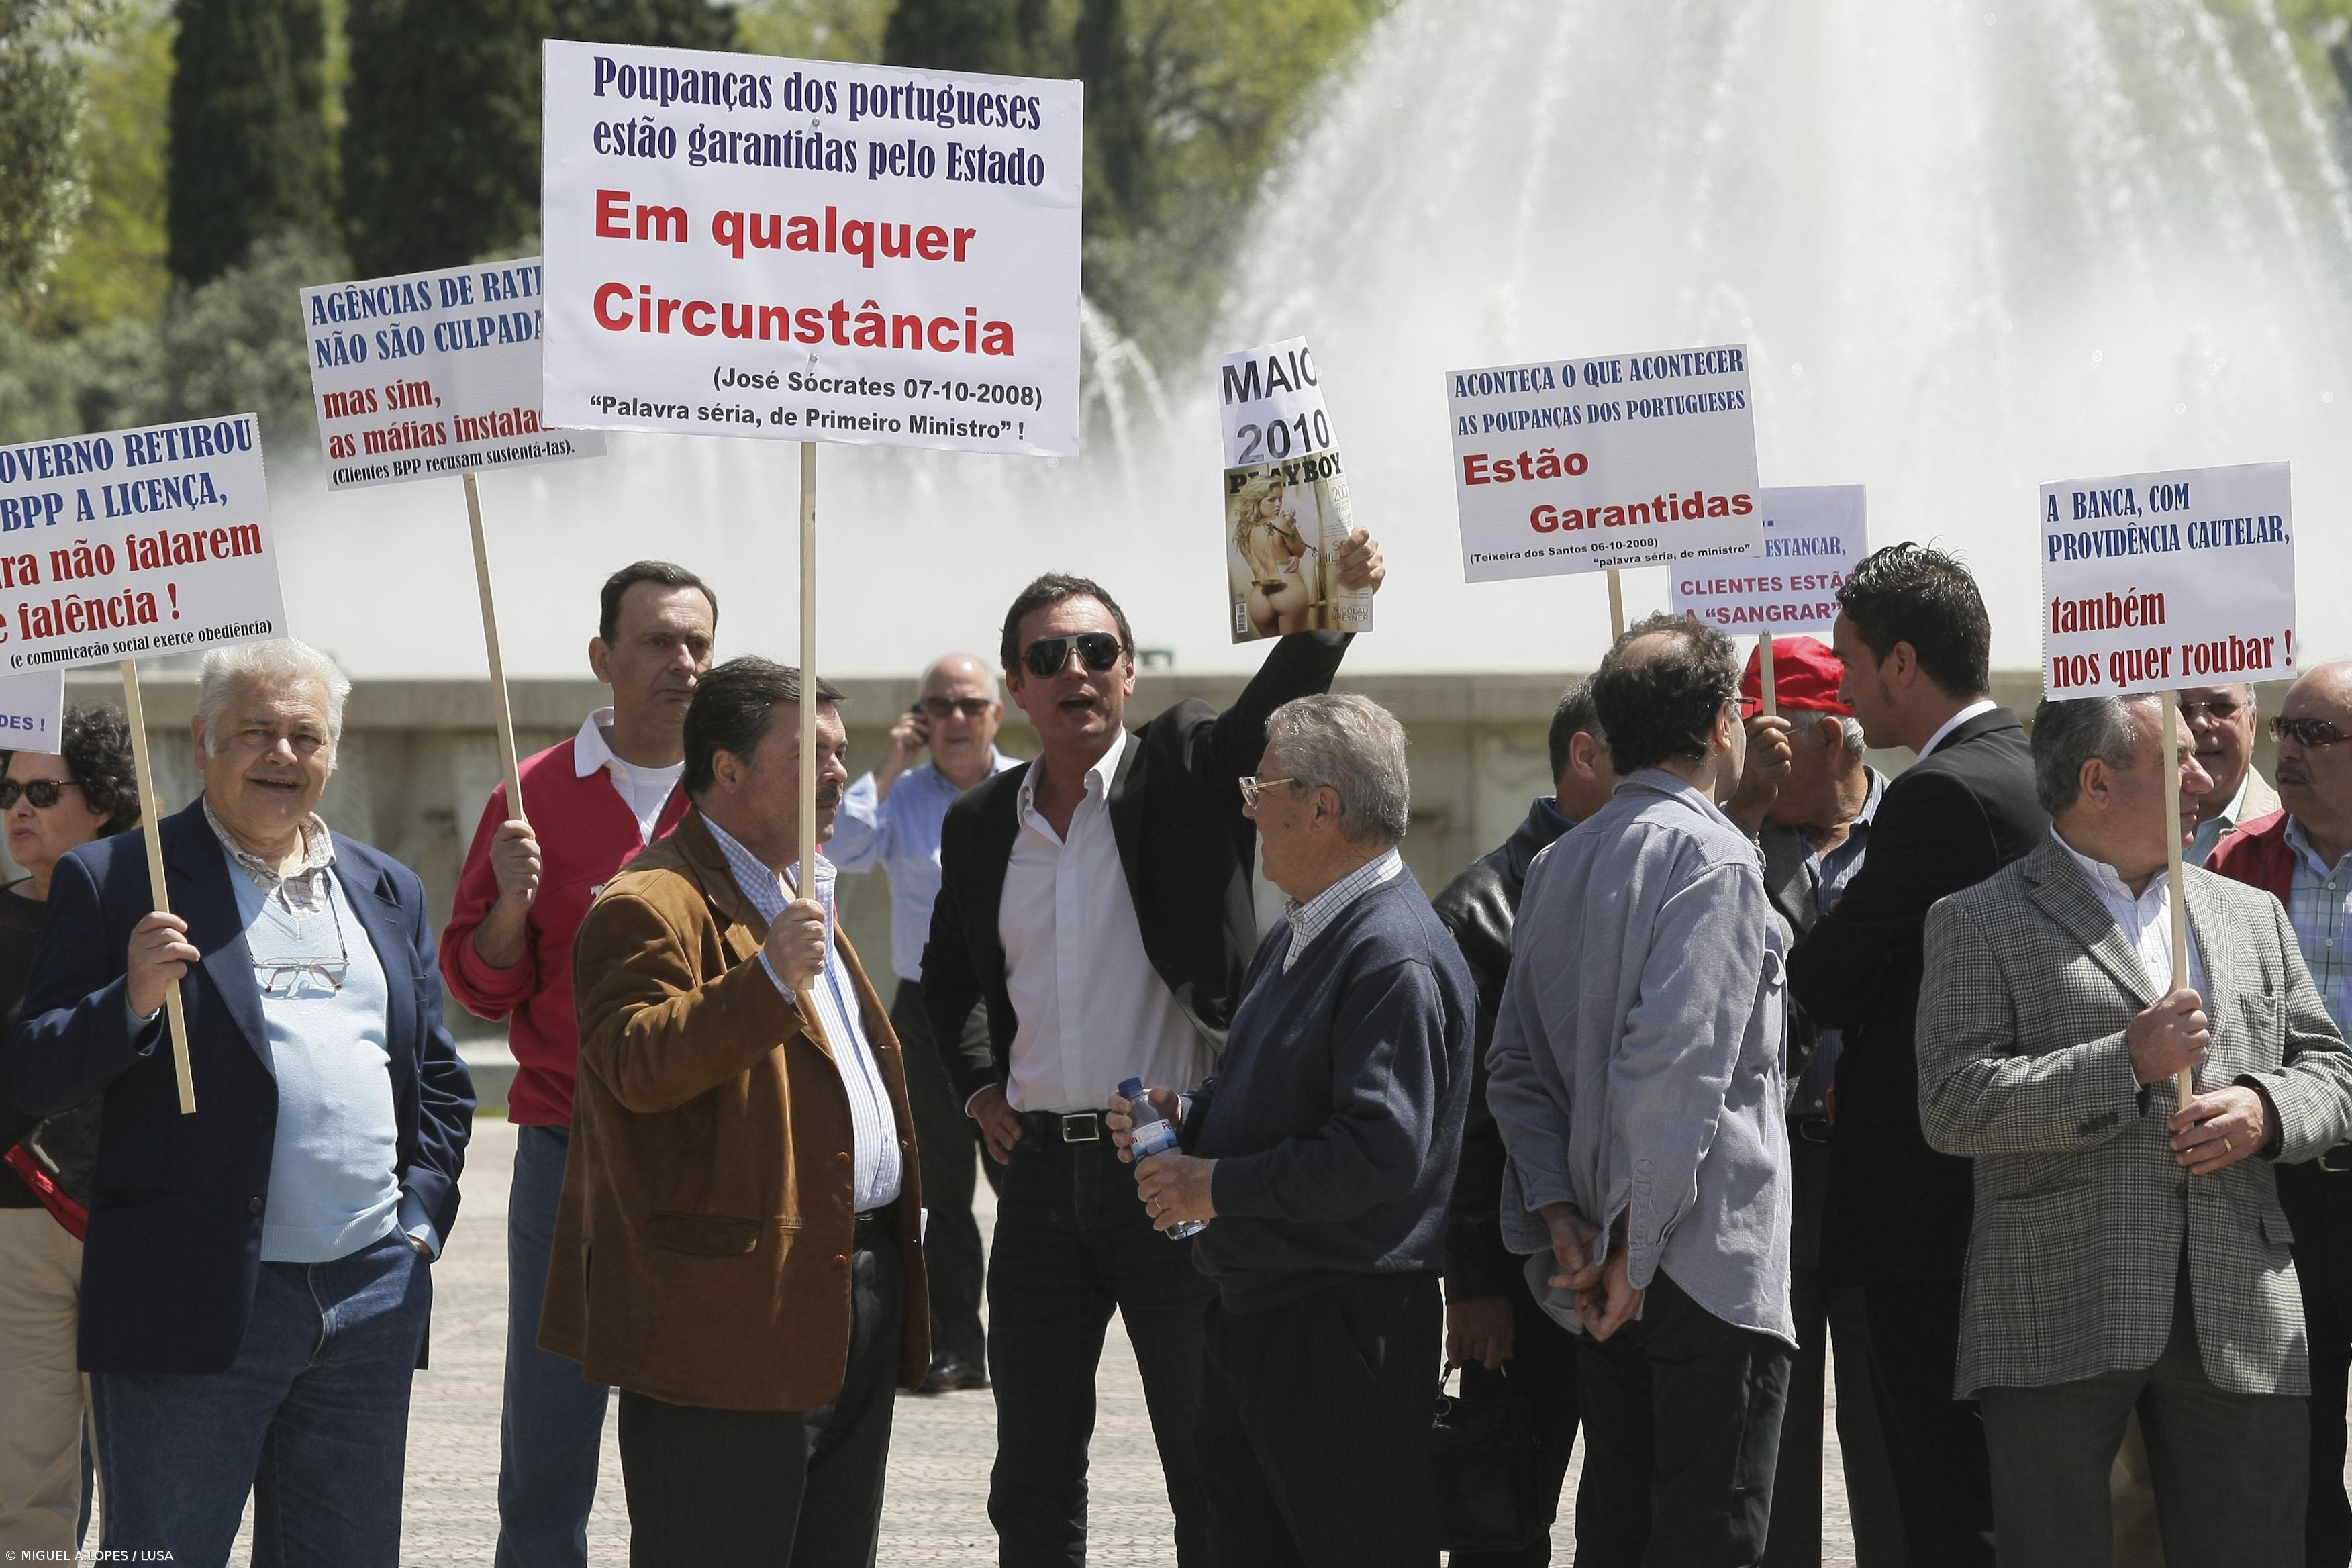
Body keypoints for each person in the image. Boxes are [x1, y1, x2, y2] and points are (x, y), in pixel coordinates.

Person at [922, 541, 1385, 1566]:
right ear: (1016, 687)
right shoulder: (978, 825)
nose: (1075, 672)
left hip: (1172, 1167)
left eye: (1098, 650)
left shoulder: (1185, 768)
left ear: (1129, 672)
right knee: (1032, 1475)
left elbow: (1279, 702)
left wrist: (1333, 604)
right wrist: (978, 1088)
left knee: (1208, 1456)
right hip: (1040, 1182)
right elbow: (946, 979)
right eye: (1049, 658)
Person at [3, 639, 475, 1565]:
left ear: (334, 751)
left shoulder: (390, 888)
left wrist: (418, 1227)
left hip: (368, 1298)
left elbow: (440, 1081)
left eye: (306, 735)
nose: (284, 756)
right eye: (256, 731)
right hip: (192, 1296)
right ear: (203, 741)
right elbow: (31, 1076)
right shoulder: (119, 880)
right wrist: (129, 1001)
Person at [1918, 692, 2352, 1564]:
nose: (2203, 779)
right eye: (2175, 760)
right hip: (2058, 1312)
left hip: (2240, 1309)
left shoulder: (2248, 915)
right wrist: (2124, 1062)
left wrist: (2267, 1112)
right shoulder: (1976, 919)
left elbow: (2334, 1073)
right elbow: (1952, 1102)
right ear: (2096, 780)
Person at [543, 658, 929, 1566]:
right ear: (725, 768)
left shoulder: (803, 891)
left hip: (843, 1290)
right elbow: (635, 1066)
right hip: (723, 1323)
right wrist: (762, 983)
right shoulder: (648, 904)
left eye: (841, 751)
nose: (839, 773)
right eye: (810, 755)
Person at [1111, 693, 1473, 1566]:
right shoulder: (1302, 934)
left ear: (1322, 805)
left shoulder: (1390, 953)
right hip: (1263, 1316)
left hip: (1340, 1327)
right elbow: (1270, 1097)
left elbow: (1377, 1155)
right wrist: (1187, 1119)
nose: (1246, 806)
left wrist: (1214, 1185)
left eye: (1259, 783)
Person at [1487, 612, 1796, 1565]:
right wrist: (1636, 1248)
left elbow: (1517, 1068)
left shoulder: (1554, 860)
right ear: (1722, 724)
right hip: (1691, 1270)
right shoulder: (1718, 858)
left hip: (1599, 1268)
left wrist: (1567, 1221)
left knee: (1620, 1531)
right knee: (1705, 1535)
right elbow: (1679, 1066)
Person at [441, 560, 715, 1568]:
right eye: (656, 642)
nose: (681, 663)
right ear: (603, 658)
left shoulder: (737, 787)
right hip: (573, 1152)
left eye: (696, 643)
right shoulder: (535, 793)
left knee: (695, 1429)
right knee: (552, 1430)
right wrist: (512, 904)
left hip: (707, 1152)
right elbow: (477, 985)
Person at [1785, 543, 2046, 1568]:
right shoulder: (2020, 764)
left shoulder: (1941, 795)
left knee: (1943, 1503)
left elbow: (1828, 976)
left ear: (1902, 665)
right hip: (1983, 1199)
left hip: (1927, 1215)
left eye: (1849, 661)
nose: (1841, 689)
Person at [1719, 637, 1910, 1568]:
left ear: (1836, 740)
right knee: (1769, 1443)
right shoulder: (1722, 846)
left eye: (1772, 734)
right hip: (1770, 1175)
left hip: (1884, 1175)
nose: (1751, 752)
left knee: (1894, 1445)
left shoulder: (1921, 831)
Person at [1430, 677, 1614, 1565]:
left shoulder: (1664, 880)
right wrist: (1474, 1281)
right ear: (1586, 756)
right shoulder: (1480, 908)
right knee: (1503, 1517)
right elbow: (1462, 1114)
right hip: (1519, 1274)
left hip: (1636, 1261)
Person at [829, 651, 1020, 1395]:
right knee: (937, 1189)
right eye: (940, 706)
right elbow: (842, 846)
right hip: (929, 1005)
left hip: (1017, 1002)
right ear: (921, 718)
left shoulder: (1029, 787)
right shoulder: (902, 792)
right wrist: (889, 759)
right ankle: (956, 1344)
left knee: (1023, 1179)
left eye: (972, 704)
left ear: (997, 714)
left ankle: (1030, 1337)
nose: (958, 719)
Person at [2210, 660, 2352, 1567]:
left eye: (2318, 735)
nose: (2289, 752)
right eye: (2286, 732)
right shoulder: (2236, 863)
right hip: (2289, 1192)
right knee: (2293, 1446)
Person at [0, 709, 140, 1555]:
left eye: (44, 790)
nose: (20, 807)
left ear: (107, 804)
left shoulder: (155, 916)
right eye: (10, 789)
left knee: (152, 1473)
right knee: (28, 1480)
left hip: (136, 1217)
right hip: (17, 1225)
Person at [2182, 682, 2278, 865]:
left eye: (2221, 707)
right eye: (2182, 709)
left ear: (2252, 725)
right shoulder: (2122, 831)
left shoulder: (2295, 835)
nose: (2199, 724)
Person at [1233, 473, 1315, 636]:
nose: (1278, 505)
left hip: (1258, 598)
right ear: (1257, 501)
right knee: (1293, 651)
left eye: (1280, 499)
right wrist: (1292, 527)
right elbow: (1300, 549)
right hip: (1287, 589)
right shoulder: (1281, 522)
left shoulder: (1242, 532)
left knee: (1273, 652)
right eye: (1271, 500)